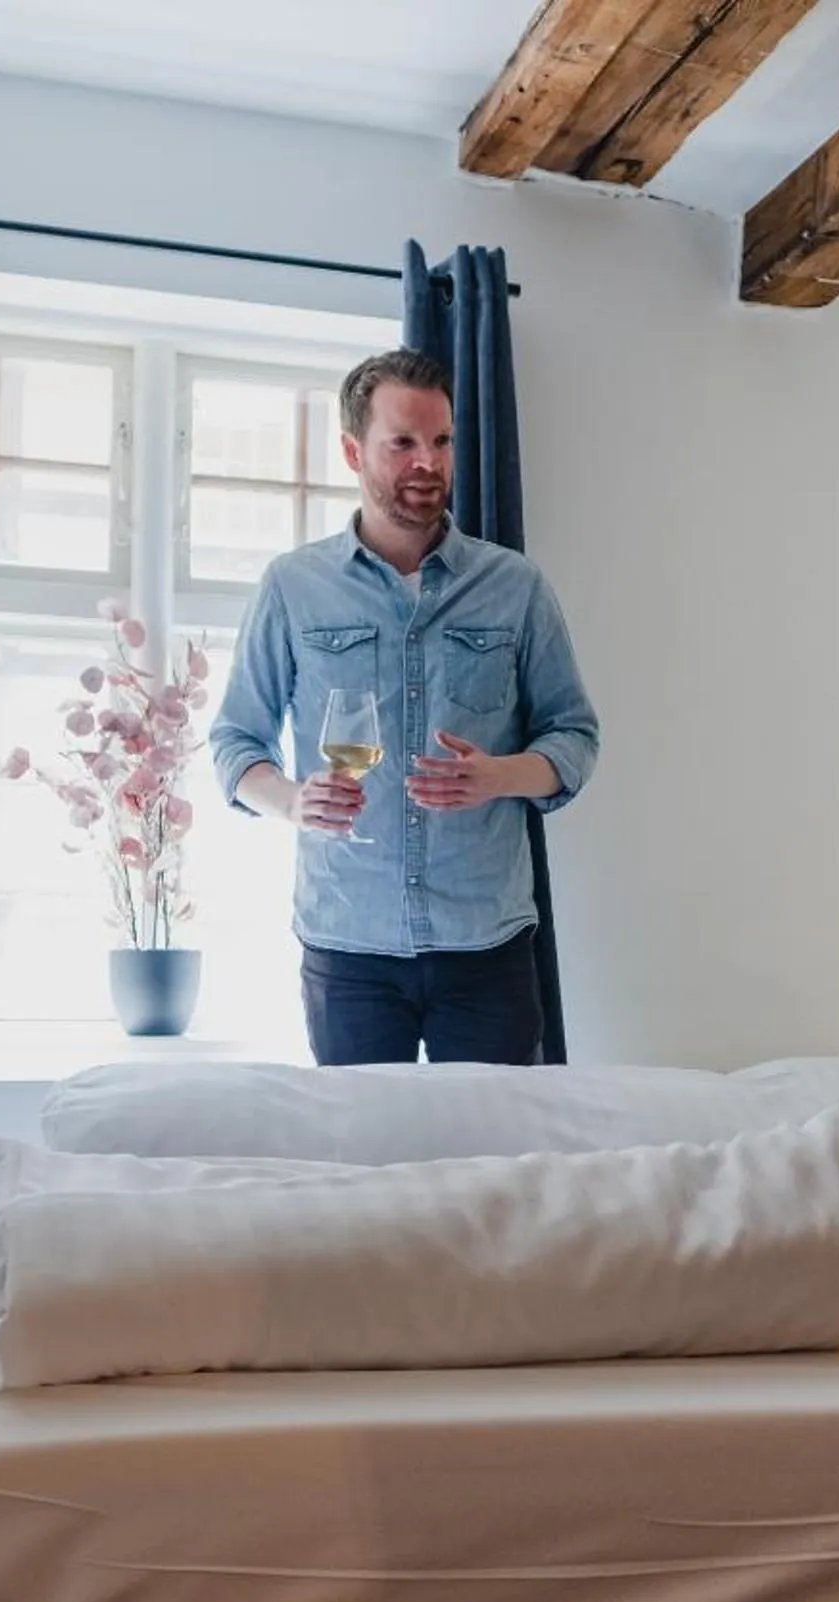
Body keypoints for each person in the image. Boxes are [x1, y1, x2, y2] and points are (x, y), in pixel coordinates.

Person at [208, 348, 599, 1066]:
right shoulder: (293, 586)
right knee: (363, 1140)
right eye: (403, 442)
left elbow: (573, 736)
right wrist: (292, 801)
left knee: (488, 1140)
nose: (429, 462)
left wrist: (500, 776)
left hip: (487, 949)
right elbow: (235, 742)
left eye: (442, 441)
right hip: (347, 946)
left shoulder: (515, 587)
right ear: (353, 451)